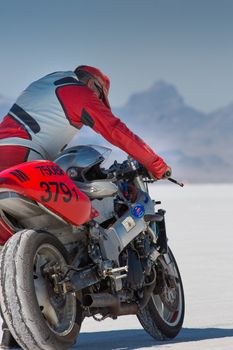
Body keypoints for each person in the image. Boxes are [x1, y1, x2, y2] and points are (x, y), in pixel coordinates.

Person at [0, 65, 171, 348]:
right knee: (81, 223)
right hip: (21, 162)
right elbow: (114, 129)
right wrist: (155, 163)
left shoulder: (43, 87)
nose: (99, 103)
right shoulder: (74, 90)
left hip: (9, 168)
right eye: (100, 97)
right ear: (94, 86)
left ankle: (14, 329)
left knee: (19, 254)